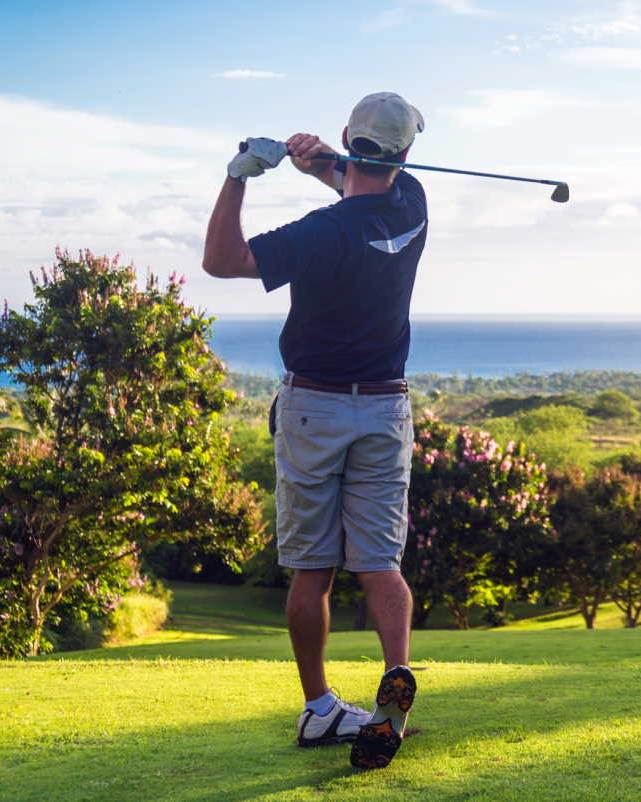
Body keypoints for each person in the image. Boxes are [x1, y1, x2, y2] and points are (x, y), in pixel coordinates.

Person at [203, 92, 427, 770]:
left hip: (314, 408)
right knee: (379, 564)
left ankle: (320, 709)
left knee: (313, 567)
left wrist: (240, 173)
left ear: (347, 137)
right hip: (385, 407)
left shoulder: (317, 235)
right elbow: (357, 180)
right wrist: (317, 165)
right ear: (407, 153)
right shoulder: (413, 203)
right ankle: (394, 682)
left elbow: (222, 260)